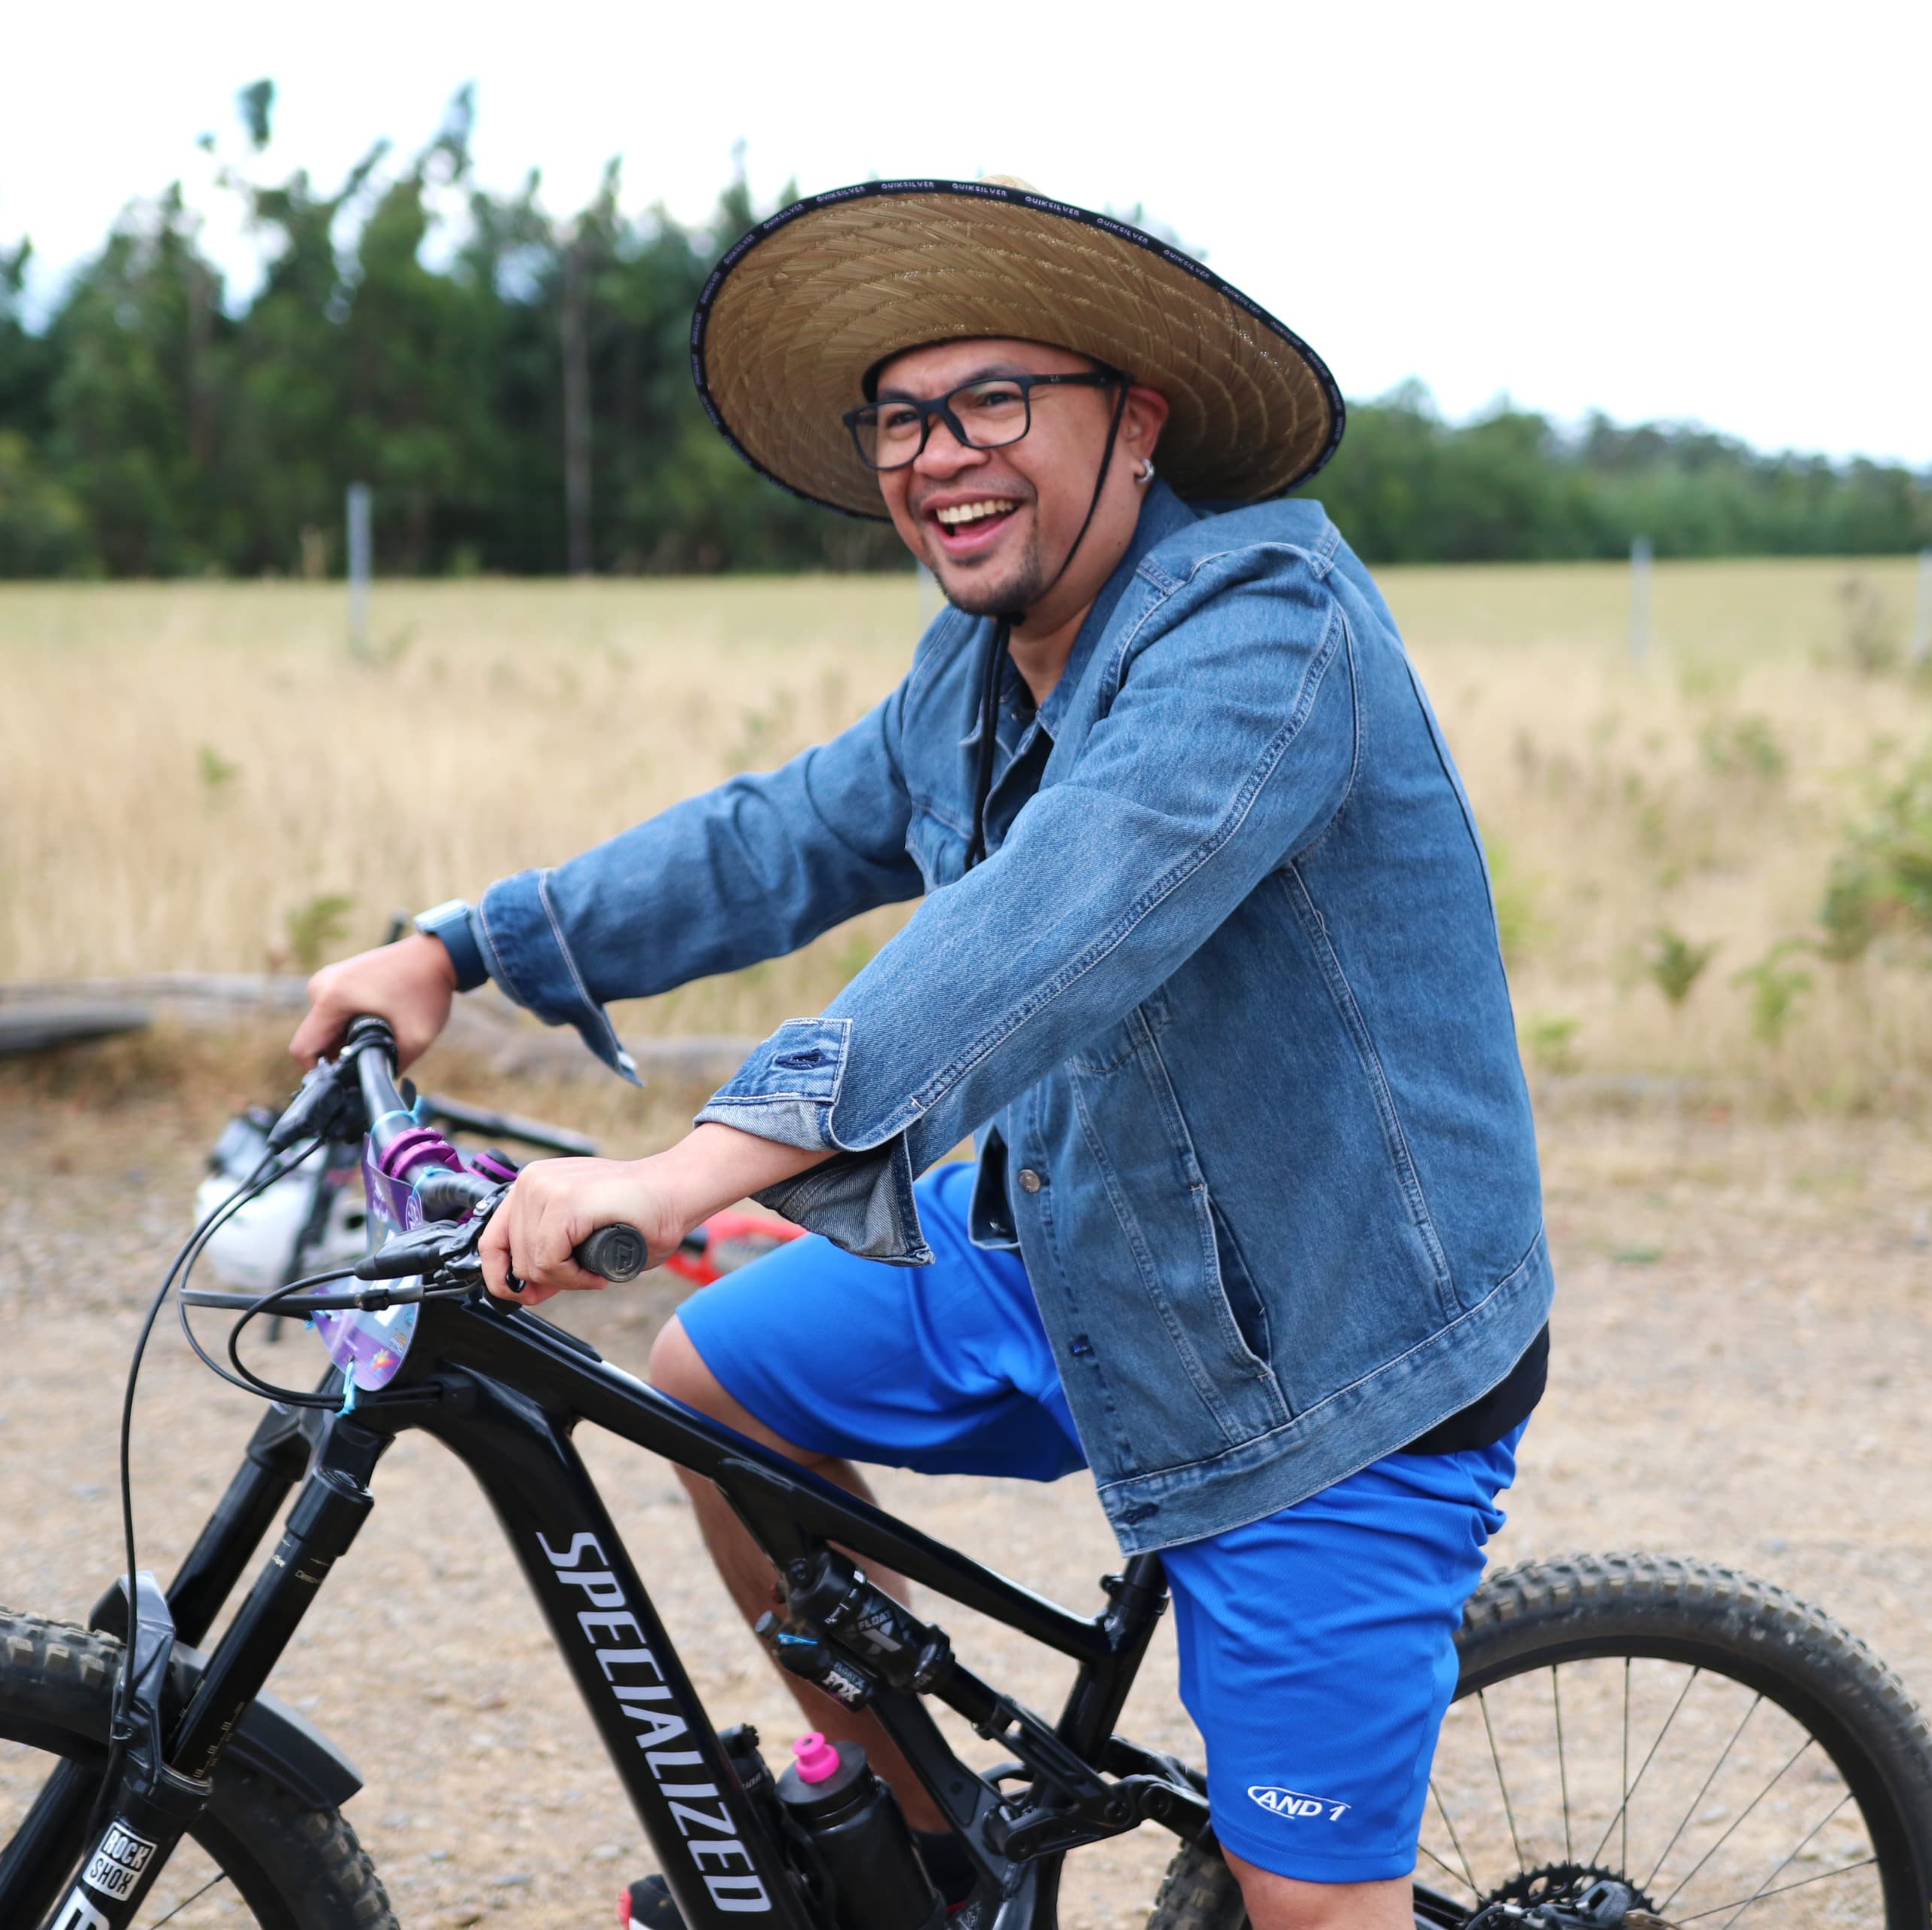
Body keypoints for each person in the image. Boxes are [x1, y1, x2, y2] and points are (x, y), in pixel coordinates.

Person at [291, 179, 1554, 1930]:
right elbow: (779, 837)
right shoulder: (977, 667)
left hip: (1320, 1347)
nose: (939, 453)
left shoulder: (1266, 631)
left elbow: (1036, 929)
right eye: (901, 416)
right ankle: (935, 1856)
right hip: (1080, 1239)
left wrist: (692, 1167)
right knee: (714, 1380)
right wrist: (458, 946)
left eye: (994, 400)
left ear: (1138, 422)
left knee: (1314, 1907)